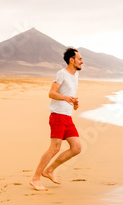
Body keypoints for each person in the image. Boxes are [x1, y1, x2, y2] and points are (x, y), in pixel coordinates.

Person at [30, 48, 83, 191]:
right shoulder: (62, 74)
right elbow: (51, 93)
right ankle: (35, 178)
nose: (82, 61)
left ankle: (49, 170)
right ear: (71, 60)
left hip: (67, 116)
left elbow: (68, 95)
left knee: (76, 148)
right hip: (57, 115)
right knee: (55, 148)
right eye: (79, 59)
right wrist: (65, 98)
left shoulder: (75, 75)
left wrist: (74, 102)